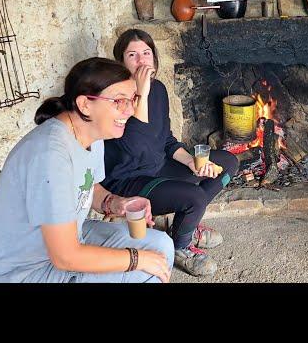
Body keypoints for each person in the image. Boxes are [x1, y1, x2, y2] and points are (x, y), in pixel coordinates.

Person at [0, 57, 174, 282]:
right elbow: (65, 257)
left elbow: (89, 186)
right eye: (118, 101)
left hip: (65, 241)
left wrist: (114, 202)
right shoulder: (50, 154)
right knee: (144, 270)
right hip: (21, 270)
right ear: (85, 104)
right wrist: (136, 259)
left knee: (161, 246)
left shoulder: (92, 132)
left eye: (132, 99)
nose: (129, 110)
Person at [102, 29, 239, 277]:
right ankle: (180, 247)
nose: (142, 60)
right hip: (129, 179)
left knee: (228, 163)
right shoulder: (116, 97)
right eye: (132, 55)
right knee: (194, 196)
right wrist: (139, 93)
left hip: (158, 166)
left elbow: (165, 139)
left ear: (154, 58)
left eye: (146, 53)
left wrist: (190, 162)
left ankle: (185, 226)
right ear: (120, 63)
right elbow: (136, 147)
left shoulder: (158, 90)